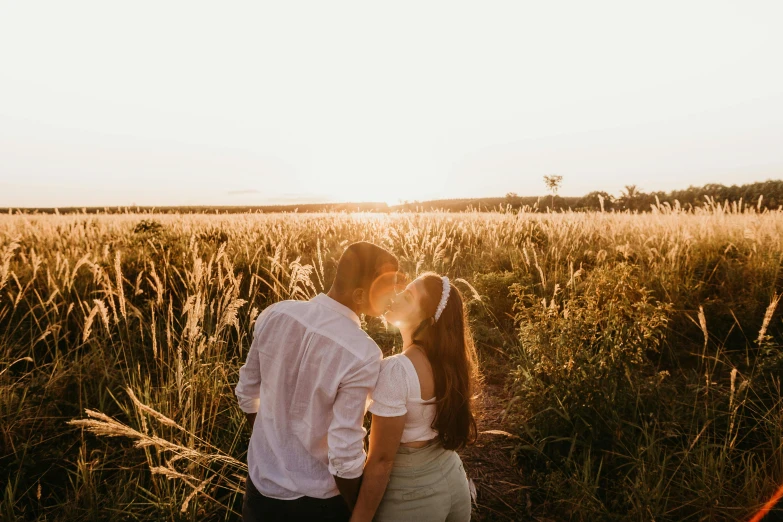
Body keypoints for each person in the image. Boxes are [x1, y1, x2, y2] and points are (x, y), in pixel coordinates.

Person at [235, 242, 399, 521]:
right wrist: (355, 509)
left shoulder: (276, 313)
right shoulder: (362, 352)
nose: (393, 296)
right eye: (386, 288)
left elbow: (246, 393)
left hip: (259, 491)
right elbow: (344, 454)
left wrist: (275, 443)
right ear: (360, 295)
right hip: (317, 505)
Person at [350, 272, 479, 522]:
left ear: (427, 321)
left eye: (407, 297)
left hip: (412, 497)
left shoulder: (397, 370)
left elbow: (381, 461)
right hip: (453, 481)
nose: (395, 297)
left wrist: (359, 519)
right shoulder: (450, 363)